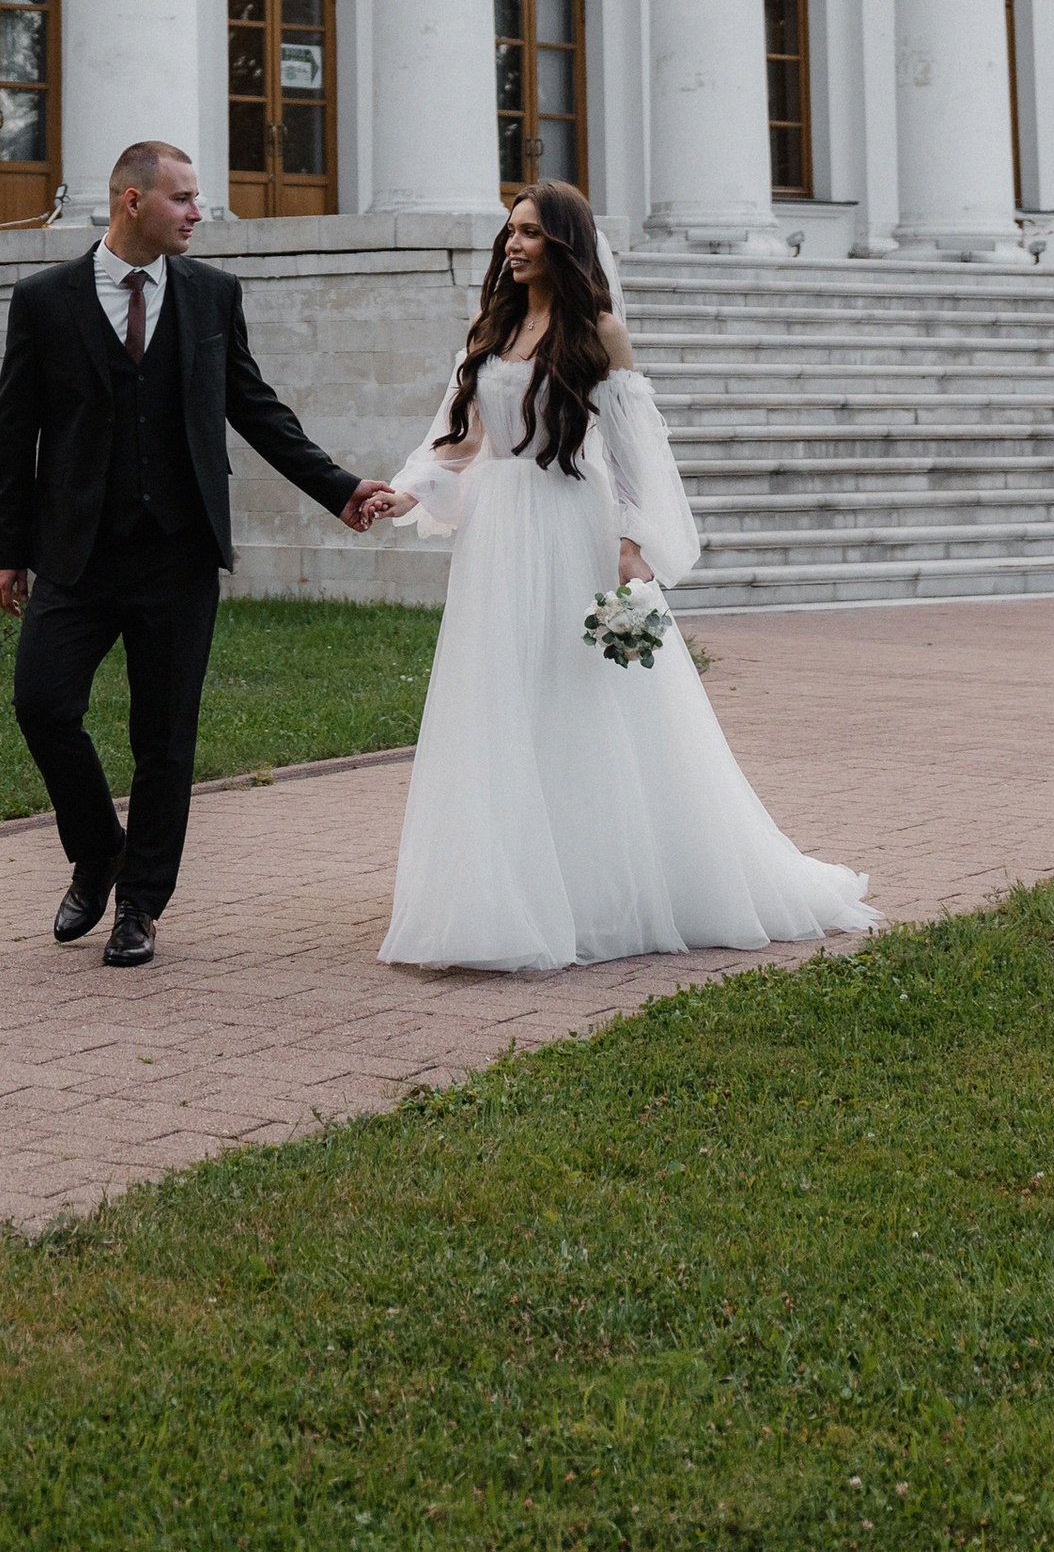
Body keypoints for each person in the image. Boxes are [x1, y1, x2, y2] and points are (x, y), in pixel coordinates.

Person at [375, 180, 876, 973]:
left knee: (587, 701)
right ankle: (506, 889)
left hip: (574, 527)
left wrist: (632, 544)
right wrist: (405, 491)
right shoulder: (490, 327)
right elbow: (455, 439)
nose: (514, 245)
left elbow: (640, 458)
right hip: (499, 538)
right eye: (511, 232)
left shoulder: (600, 332)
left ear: (565, 245)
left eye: (532, 233)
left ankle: (611, 888)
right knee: (503, 698)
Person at [0, 138, 402, 968]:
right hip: (77, 551)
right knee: (43, 704)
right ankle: (98, 849)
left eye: (196, 197)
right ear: (132, 201)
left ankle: (140, 906)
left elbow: (254, 406)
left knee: (165, 737)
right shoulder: (44, 300)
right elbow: (14, 430)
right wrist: (8, 548)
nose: (198, 212)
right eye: (182, 198)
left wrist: (338, 486)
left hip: (177, 554)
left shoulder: (213, 295)